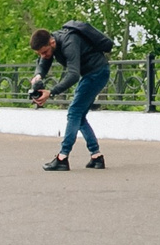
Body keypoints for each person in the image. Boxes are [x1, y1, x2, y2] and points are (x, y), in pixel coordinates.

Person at [30, 21, 112, 171]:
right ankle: (96, 156)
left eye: (44, 52)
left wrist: (52, 92)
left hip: (97, 72)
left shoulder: (69, 42)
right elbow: (44, 63)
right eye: (40, 53)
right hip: (90, 74)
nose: (43, 56)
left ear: (52, 42)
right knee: (79, 116)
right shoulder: (51, 43)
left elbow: (73, 74)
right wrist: (38, 75)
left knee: (74, 112)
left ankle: (62, 157)